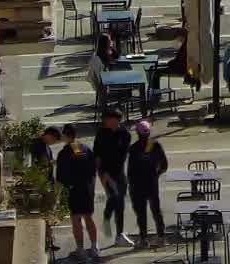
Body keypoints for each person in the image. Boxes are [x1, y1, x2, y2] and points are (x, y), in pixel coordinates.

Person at [56, 125, 101, 261]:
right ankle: (94, 247)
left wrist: (57, 197)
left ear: (65, 136)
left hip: (73, 189)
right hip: (87, 189)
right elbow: (94, 171)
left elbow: (60, 179)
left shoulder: (64, 153)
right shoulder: (86, 149)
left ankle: (80, 249)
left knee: (76, 219)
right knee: (88, 217)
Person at [93, 108, 133, 249]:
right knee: (115, 198)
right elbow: (97, 155)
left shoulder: (125, 134)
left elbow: (122, 157)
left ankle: (119, 234)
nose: (106, 122)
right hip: (105, 172)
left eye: (115, 121)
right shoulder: (101, 134)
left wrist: (115, 175)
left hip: (119, 172)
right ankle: (107, 219)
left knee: (120, 202)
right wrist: (102, 174)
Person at [125, 120, 168, 247]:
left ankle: (143, 239)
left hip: (137, 185)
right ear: (149, 132)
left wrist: (131, 185)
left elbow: (130, 170)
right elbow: (164, 165)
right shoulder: (155, 145)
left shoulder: (133, 149)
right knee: (156, 211)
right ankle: (161, 237)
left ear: (137, 133)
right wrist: (156, 174)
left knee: (141, 213)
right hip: (152, 183)